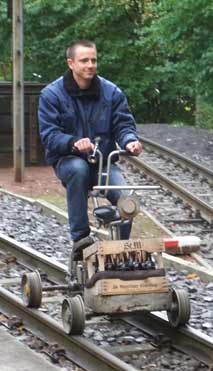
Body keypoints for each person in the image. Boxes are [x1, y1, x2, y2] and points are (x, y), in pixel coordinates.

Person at [38, 39, 142, 255]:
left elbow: (123, 124)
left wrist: (129, 140)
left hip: (103, 162)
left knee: (126, 197)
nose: (90, 65)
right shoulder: (52, 95)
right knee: (78, 169)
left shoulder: (111, 92)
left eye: (93, 60)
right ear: (71, 63)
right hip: (68, 160)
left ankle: (120, 249)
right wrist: (72, 142)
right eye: (84, 60)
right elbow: (49, 135)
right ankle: (81, 239)